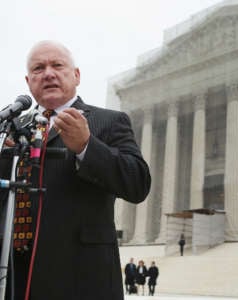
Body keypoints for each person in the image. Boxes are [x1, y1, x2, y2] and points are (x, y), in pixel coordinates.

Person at [0, 40, 151, 300]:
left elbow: (137, 184)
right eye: (38, 68)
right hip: (13, 276)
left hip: (80, 278)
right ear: (28, 81)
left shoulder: (108, 121)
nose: (48, 73)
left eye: (57, 65)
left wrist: (86, 146)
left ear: (76, 75)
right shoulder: (11, 128)